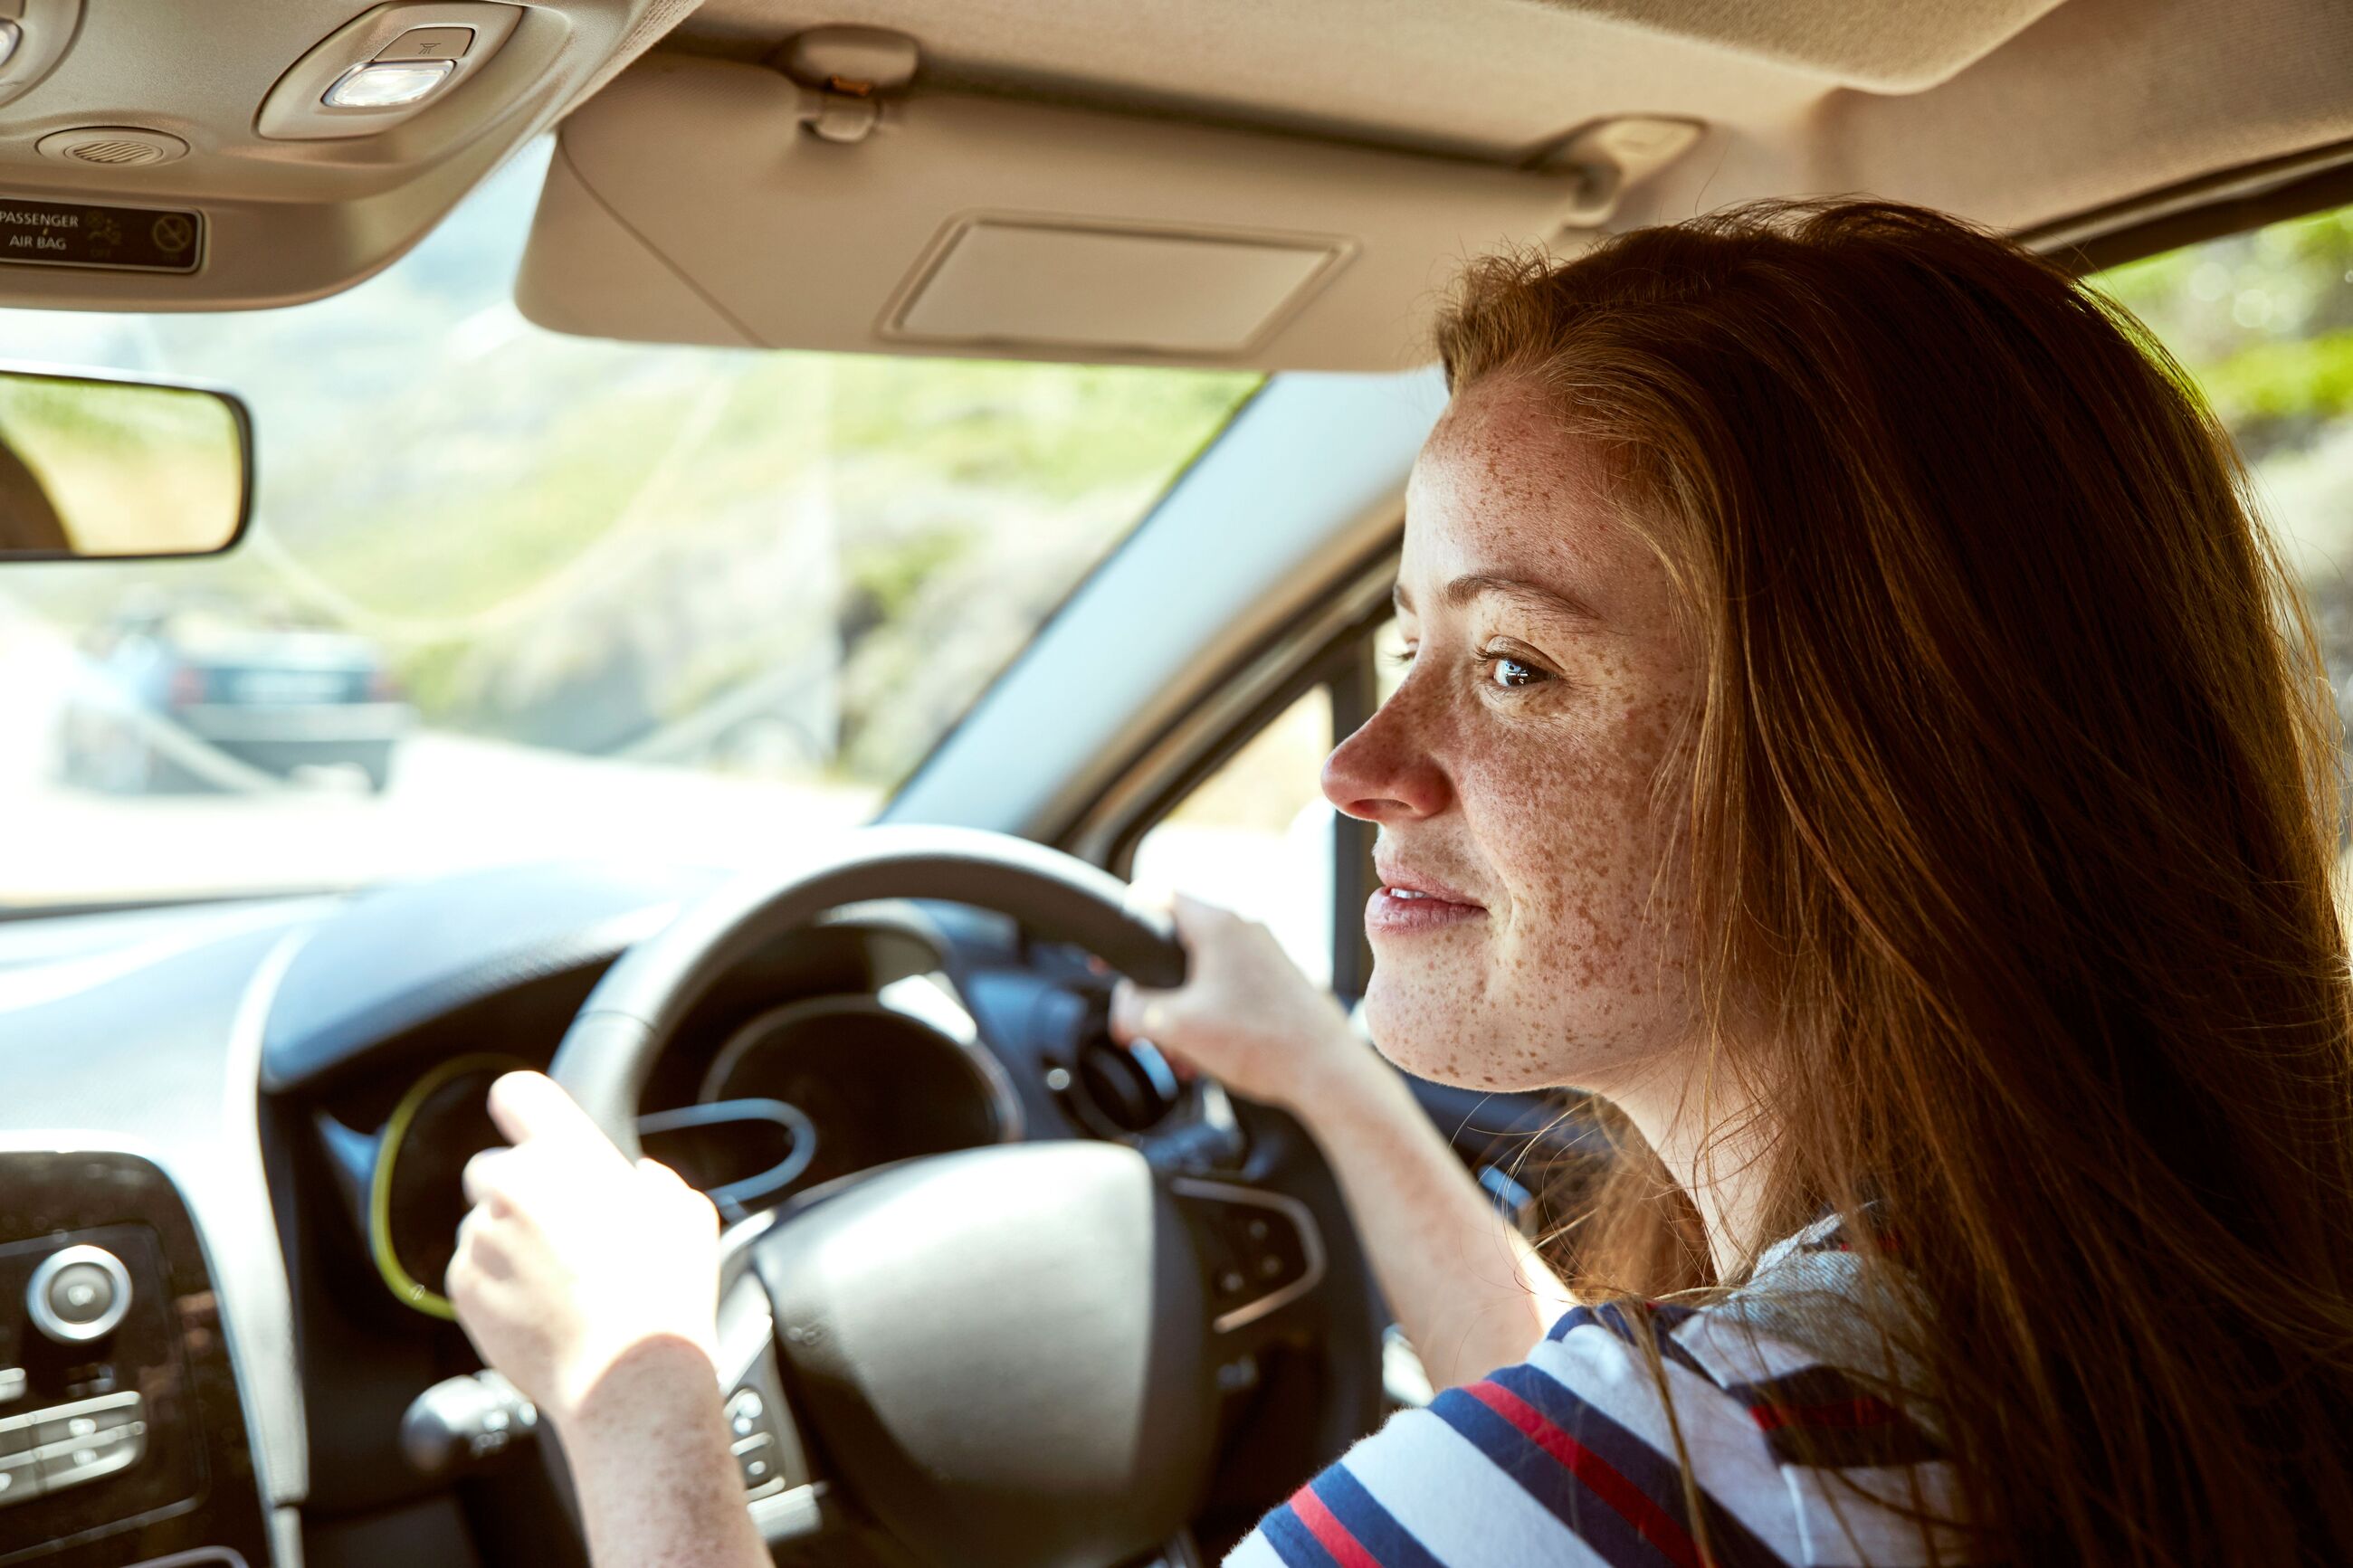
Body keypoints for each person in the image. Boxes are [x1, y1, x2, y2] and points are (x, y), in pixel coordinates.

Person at [448, 199, 2353, 1568]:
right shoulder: (2123, 1344)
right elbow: (1610, 1455)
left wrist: (633, 1389)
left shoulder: (1681, 1475)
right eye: (1401, 647)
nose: (1363, 768)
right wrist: (1335, 1086)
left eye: (1515, 669)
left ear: (1882, 790)